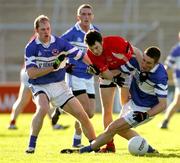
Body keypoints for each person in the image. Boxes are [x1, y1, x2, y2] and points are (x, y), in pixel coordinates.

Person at [60, 46, 168, 154]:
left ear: (156, 63)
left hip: (144, 109)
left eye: (148, 63)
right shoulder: (137, 62)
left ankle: (83, 151)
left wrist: (146, 114)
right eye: (144, 60)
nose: (144, 65)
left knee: (113, 127)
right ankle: (149, 150)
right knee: (121, 129)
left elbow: (163, 105)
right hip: (132, 103)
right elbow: (118, 71)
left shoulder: (160, 76)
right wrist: (100, 73)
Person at [25, 15, 96, 153]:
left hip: (60, 85)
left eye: (48, 29)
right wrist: (53, 67)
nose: (46, 32)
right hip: (40, 85)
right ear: (36, 30)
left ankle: (95, 145)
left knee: (83, 115)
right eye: (43, 29)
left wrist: (93, 66)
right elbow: (32, 73)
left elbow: (80, 55)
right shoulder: (31, 47)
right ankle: (31, 145)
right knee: (43, 108)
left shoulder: (60, 43)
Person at [84, 30, 143, 153]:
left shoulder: (115, 42)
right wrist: (113, 77)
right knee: (107, 111)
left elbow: (136, 52)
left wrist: (143, 72)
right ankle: (110, 146)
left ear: (102, 42)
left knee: (125, 109)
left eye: (96, 47)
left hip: (125, 74)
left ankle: (137, 140)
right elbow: (106, 73)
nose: (95, 51)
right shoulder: (90, 54)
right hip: (108, 76)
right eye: (92, 49)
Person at [54, 4, 99, 147]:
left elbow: (98, 52)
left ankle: (61, 108)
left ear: (92, 16)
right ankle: (77, 140)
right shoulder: (71, 34)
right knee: (84, 111)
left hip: (89, 76)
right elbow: (57, 51)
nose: (86, 17)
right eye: (83, 14)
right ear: (78, 17)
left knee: (90, 113)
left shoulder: (96, 31)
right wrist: (63, 64)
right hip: (75, 76)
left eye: (89, 14)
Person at [160, 32, 180, 129]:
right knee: (177, 102)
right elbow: (168, 65)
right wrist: (161, 76)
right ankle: (165, 121)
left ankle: (165, 121)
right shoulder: (176, 50)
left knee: (177, 102)